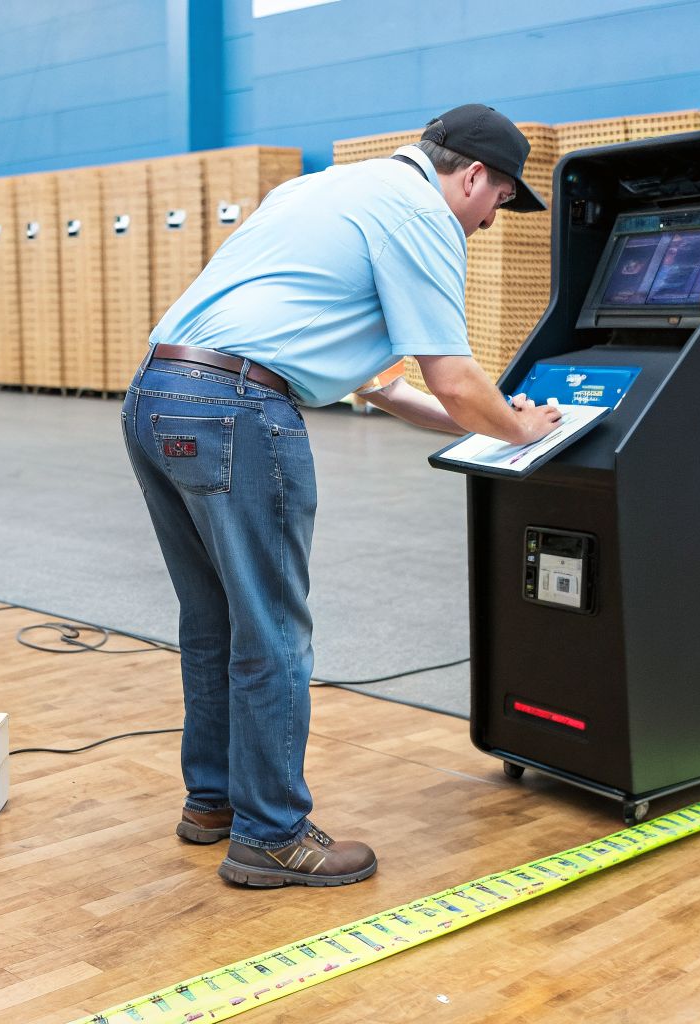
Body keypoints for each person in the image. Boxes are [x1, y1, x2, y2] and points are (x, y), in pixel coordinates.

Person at [120, 104, 562, 888]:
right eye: (499, 201)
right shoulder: (425, 214)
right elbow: (457, 381)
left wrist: (486, 427)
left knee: (215, 618)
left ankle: (213, 802)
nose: (492, 221)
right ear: (470, 178)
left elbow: (385, 386)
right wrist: (522, 432)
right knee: (273, 631)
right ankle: (272, 837)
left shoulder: (320, 190)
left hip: (159, 393)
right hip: (237, 410)